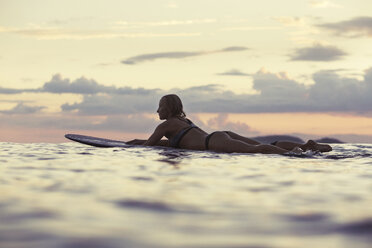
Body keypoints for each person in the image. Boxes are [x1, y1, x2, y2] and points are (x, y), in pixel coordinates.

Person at [127, 94, 332, 154]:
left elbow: (149, 147)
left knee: (257, 149)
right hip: (218, 136)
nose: (157, 111)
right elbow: (180, 143)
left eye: (160, 106)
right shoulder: (182, 121)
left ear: (169, 108)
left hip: (213, 143)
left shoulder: (165, 126)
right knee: (259, 145)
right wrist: (137, 140)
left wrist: (135, 145)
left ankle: (294, 153)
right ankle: (307, 146)